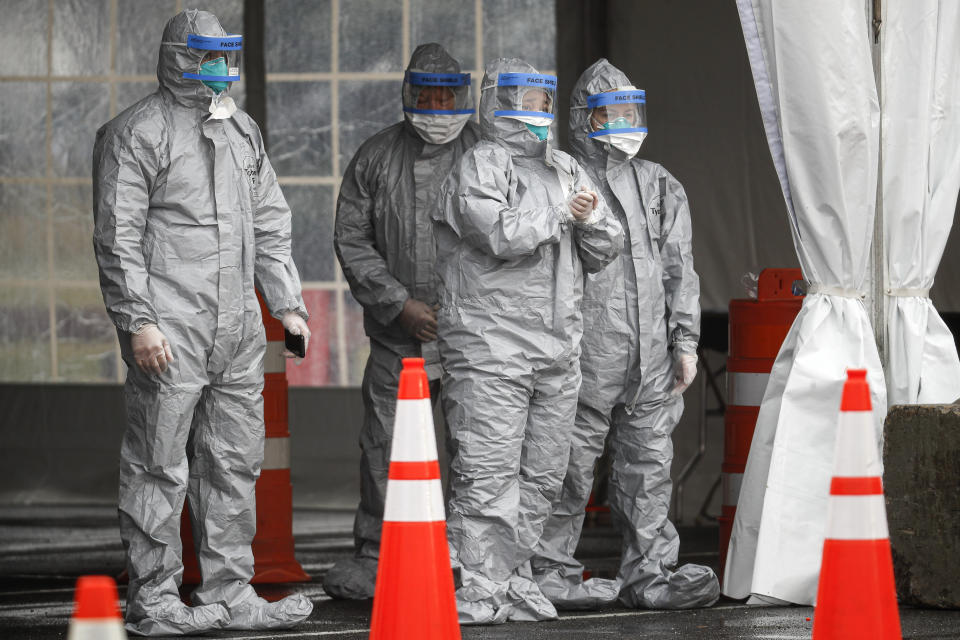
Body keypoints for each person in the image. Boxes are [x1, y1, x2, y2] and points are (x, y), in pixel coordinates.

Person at [92, 10, 312, 635]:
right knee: (159, 463)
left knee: (232, 462)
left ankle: (228, 591)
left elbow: (270, 220)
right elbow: (118, 236)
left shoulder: (241, 130)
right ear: (179, 57)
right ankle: (155, 599)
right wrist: (138, 321)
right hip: (171, 327)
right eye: (207, 58)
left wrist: (287, 303)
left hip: (237, 327)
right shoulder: (138, 132)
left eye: (226, 57)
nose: (220, 70)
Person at [432, 57, 623, 624]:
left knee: (543, 472)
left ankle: (512, 577)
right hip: (492, 348)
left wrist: (589, 221)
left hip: (557, 349)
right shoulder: (479, 165)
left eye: (542, 98)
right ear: (496, 100)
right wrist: (563, 212)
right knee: (488, 473)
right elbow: (500, 232)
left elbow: (605, 246)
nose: (535, 108)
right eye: (522, 96)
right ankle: (477, 585)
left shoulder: (564, 166)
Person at [530, 58, 719, 611]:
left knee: (649, 466)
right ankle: (550, 571)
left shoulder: (659, 183)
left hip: (650, 358)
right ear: (584, 118)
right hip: (583, 354)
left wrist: (685, 342)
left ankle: (651, 573)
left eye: (629, 110)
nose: (623, 121)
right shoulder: (559, 177)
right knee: (566, 466)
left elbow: (680, 267)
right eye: (610, 112)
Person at [326, 43, 481, 600]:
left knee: (478, 449)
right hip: (399, 338)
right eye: (427, 96)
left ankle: (474, 563)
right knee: (386, 445)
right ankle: (378, 556)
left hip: (475, 340)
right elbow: (352, 240)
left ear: (464, 96)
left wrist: (471, 312)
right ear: (408, 95)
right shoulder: (375, 156)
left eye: (448, 96)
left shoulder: (489, 153)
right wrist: (398, 305)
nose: (438, 108)